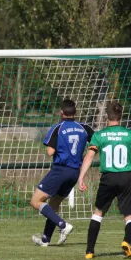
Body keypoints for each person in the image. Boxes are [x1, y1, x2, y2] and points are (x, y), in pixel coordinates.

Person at [78, 101, 131, 259]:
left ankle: (89, 251)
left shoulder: (99, 135)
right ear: (121, 116)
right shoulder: (130, 134)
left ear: (106, 117)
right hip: (127, 177)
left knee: (98, 213)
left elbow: (89, 157)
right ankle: (127, 241)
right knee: (130, 215)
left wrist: (81, 177)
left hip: (108, 177)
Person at [30, 100, 94, 246]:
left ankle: (63, 225)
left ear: (61, 112)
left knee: (35, 201)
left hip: (60, 170)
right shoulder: (84, 128)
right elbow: (96, 144)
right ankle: (45, 239)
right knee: (53, 205)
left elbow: (50, 152)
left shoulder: (58, 128)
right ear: (75, 112)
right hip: (75, 172)